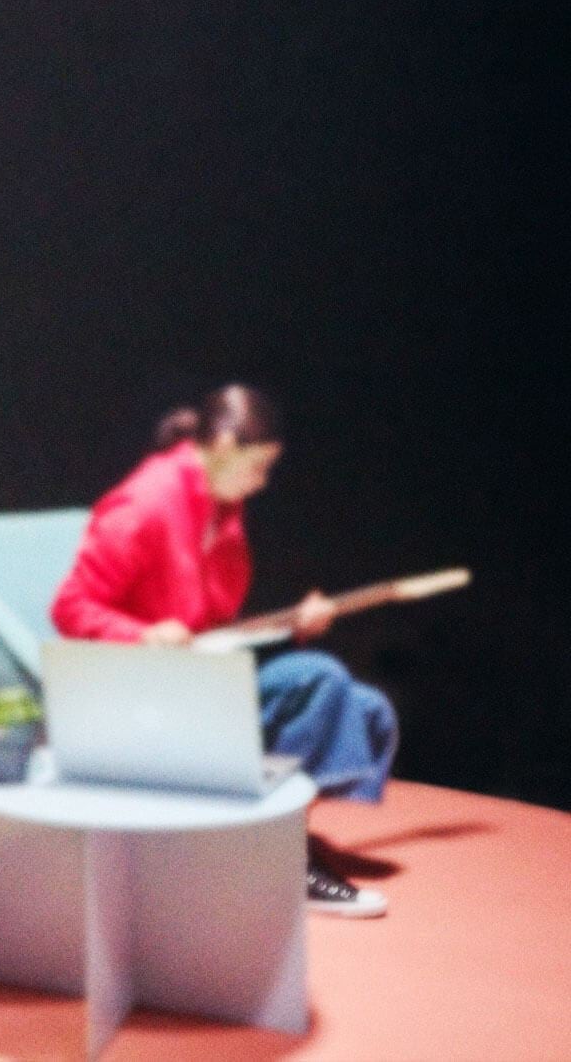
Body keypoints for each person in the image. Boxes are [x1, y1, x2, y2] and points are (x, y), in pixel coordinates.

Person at [50, 385, 397, 917]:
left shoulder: (221, 508)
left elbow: (216, 626)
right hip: (142, 689)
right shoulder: (147, 502)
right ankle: (276, 854)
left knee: (364, 705)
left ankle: (271, 838)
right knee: (321, 679)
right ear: (226, 445)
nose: (261, 482)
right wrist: (142, 635)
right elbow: (71, 607)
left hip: (198, 678)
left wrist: (294, 625)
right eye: (258, 466)